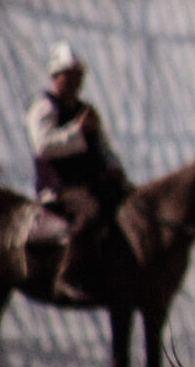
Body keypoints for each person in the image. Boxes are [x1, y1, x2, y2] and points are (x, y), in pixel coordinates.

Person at [25, 42, 128, 300]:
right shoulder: (44, 107)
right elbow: (43, 145)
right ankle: (67, 275)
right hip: (60, 189)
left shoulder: (86, 110)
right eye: (68, 75)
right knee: (90, 214)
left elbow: (103, 148)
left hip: (90, 185)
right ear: (55, 76)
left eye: (77, 76)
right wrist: (77, 133)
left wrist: (113, 166)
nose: (74, 81)